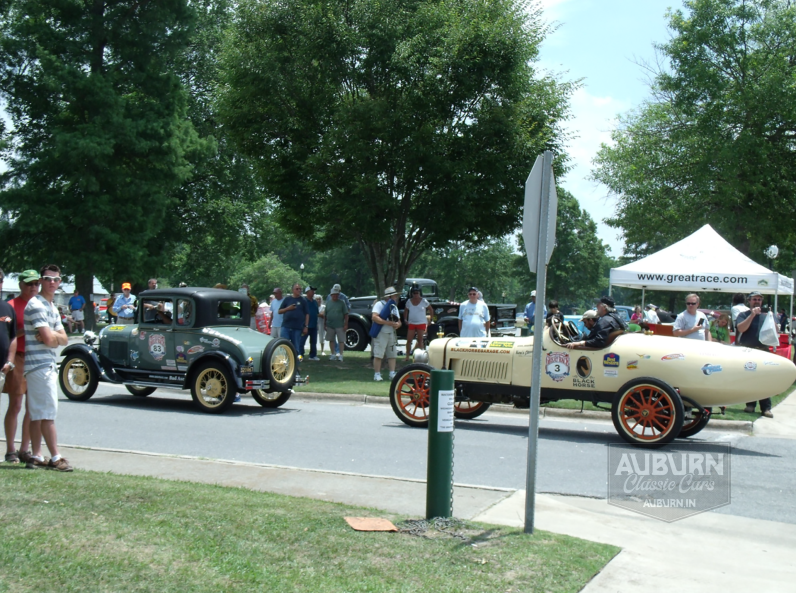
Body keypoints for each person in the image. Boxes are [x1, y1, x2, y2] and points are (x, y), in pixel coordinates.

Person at [24, 264, 71, 471]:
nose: (52, 283)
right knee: (47, 413)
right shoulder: (36, 305)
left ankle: (36, 455)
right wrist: (52, 338)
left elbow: (64, 339)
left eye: (56, 279)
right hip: (39, 365)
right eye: (48, 278)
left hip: (44, 363)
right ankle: (55, 457)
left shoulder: (51, 307)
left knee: (37, 413)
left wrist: (53, 338)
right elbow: (48, 338)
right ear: (41, 281)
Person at [736, 291, 774, 418]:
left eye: (759, 299)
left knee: (765, 379)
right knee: (750, 378)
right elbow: (741, 329)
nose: (757, 301)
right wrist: (752, 316)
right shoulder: (744, 314)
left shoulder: (766, 316)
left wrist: (772, 319)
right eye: (754, 299)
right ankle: (750, 405)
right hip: (749, 350)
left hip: (763, 350)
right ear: (749, 301)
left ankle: (766, 408)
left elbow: (775, 332)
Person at [0, 269, 20, 463]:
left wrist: (10, 360)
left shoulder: (7, 308)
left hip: (2, 369)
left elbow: (13, 336)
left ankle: (9, 451)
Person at [371, 286, 401, 381]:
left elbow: (399, 321)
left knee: (392, 354)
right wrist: (388, 323)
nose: (396, 297)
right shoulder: (379, 304)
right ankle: (377, 374)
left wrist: (397, 324)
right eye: (394, 295)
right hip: (381, 332)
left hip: (391, 332)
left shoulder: (394, 306)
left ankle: (392, 373)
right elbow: (375, 317)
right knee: (379, 354)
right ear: (390, 296)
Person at [278, 283, 309, 359]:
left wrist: (306, 326)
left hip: (297, 327)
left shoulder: (303, 300)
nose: (299, 290)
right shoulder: (287, 299)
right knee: (284, 345)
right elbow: (279, 311)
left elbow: (307, 314)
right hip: (286, 326)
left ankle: (296, 365)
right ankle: (284, 364)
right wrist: (288, 308)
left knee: (296, 347)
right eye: (297, 289)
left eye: (300, 289)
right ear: (293, 290)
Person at [403, 286, 431, 361]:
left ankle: (421, 356)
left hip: (421, 322)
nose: (416, 295)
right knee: (409, 340)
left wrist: (430, 319)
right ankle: (407, 356)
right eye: (414, 293)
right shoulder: (409, 301)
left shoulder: (424, 301)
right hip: (412, 322)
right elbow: (406, 310)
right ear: (412, 294)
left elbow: (431, 309)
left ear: (419, 293)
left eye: (417, 293)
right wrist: (405, 319)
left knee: (420, 339)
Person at [326, 283, 350, 356]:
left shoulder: (344, 298)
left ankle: (340, 354)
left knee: (341, 340)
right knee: (331, 339)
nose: (336, 293)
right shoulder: (329, 297)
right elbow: (327, 310)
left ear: (340, 290)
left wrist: (345, 322)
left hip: (340, 323)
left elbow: (348, 309)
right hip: (330, 323)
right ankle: (334, 352)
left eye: (337, 290)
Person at [300, 286, 320, 360]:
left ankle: (313, 355)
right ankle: (300, 355)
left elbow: (316, 312)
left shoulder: (314, 302)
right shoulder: (303, 301)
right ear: (307, 292)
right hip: (305, 325)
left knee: (313, 341)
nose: (313, 292)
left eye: (314, 291)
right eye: (312, 291)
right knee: (302, 342)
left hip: (314, 325)